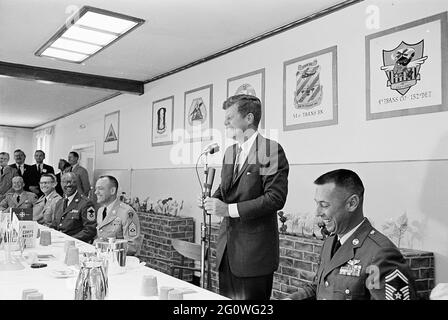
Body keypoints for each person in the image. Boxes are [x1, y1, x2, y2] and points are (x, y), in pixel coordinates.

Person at [200, 94, 289, 300]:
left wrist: (227, 210)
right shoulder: (230, 152)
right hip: (226, 252)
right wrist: (210, 201)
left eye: (230, 117)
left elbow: (275, 198)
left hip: (254, 256)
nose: (225, 122)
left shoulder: (271, 150)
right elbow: (225, 190)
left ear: (249, 118)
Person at [288, 169, 417, 300]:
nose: (317, 212)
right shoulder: (330, 242)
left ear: (352, 203)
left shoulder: (380, 254)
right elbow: (322, 288)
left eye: (324, 205)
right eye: (317, 203)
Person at [93, 175, 142, 256]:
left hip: (119, 261)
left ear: (112, 191)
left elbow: (132, 246)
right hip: (103, 258)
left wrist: (104, 246)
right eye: (96, 189)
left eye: (100, 189)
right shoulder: (100, 211)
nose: (96, 192)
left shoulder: (127, 213)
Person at [49, 172, 96, 243]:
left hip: (75, 244)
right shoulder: (59, 203)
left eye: (72, 182)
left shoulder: (86, 203)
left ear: (77, 183)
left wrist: (69, 240)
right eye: (65, 182)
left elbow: (90, 230)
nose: (68, 185)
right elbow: (54, 225)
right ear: (61, 184)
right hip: (58, 243)